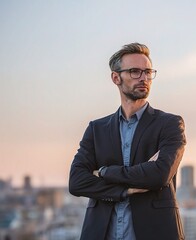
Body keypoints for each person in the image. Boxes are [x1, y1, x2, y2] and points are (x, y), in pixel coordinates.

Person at [69, 42, 186, 240]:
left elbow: (159, 175)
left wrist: (105, 172)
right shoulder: (96, 129)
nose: (143, 78)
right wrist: (125, 190)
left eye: (148, 72)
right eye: (134, 71)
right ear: (116, 78)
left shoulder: (170, 124)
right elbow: (77, 182)